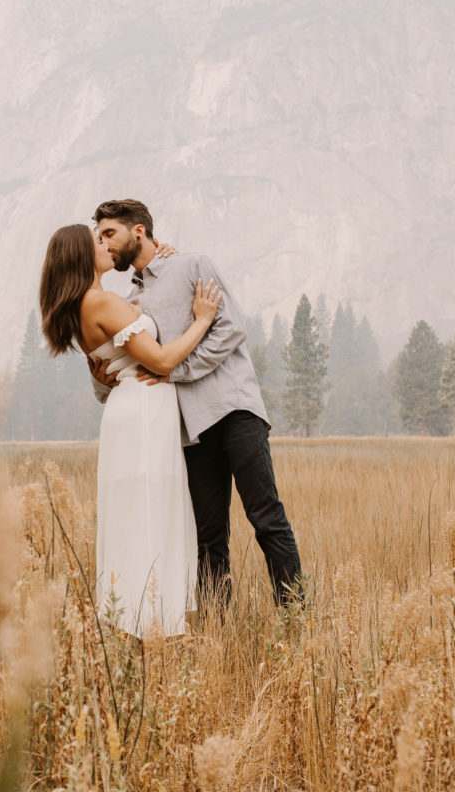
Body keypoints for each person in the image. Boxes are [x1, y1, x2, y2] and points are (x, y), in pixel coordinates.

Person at [89, 199, 302, 610]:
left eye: (109, 234)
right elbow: (129, 365)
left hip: (233, 410)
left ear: (138, 230)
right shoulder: (129, 300)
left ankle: (297, 618)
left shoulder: (191, 265)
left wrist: (178, 372)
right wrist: (104, 381)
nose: (104, 244)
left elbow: (231, 329)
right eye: (99, 238)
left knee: (266, 518)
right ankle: (215, 635)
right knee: (208, 537)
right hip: (188, 430)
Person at [39, 223, 221, 637]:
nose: (106, 245)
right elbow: (160, 361)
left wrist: (159, 262)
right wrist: (202, 320)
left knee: (136, 515)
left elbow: (133, 326)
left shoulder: (88, 305)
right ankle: (153, 623)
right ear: (81, 257)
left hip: (128, 409)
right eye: (97, 242)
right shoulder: (100, 302)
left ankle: (136, 619)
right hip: (143, 410)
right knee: (151, 512)